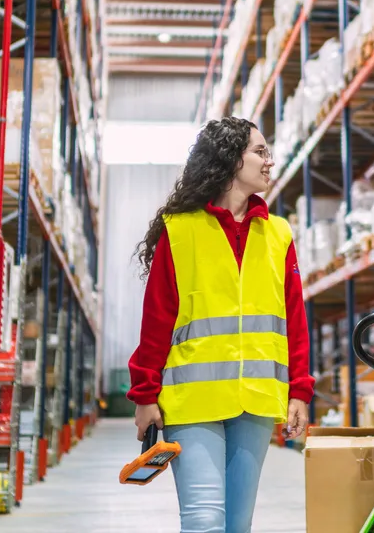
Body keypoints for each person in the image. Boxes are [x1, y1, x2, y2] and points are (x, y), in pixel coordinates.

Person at [128, 117, 313, 533]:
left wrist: (299, 390)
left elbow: (293, 321)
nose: (269, 161)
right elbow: (157, 320)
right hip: (193, 401)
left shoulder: (278, 234)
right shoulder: (181, 231)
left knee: (237, 524)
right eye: (259, 152)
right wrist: (144, 394)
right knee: (204, 520)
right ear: (230, 160)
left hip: (257, 400)